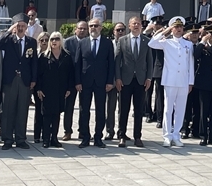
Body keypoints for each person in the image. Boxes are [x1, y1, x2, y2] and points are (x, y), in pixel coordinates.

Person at [149, 17, 195, 147]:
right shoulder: (166, 42)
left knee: (180, 109)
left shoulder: (188, 44)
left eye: (180, 27)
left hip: (183, 81)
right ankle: (167, 135)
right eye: (176, 27)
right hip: (170, 80)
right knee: (168, 109)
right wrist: (165, 31)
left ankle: (176, 135)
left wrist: (190, 81)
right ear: (172, 29)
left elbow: (190, 64)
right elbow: (151, 43)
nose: (179, 29)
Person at [0, 15, 37, 150]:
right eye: (18, 26)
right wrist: (10, 30)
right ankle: (7, 139)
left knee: (22, 110)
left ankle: (20, 138)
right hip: (10, 79)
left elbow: (34, 62)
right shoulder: (8, 40)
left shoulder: (31, 42)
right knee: (8, 110)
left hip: (24, 80)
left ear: (27, 27)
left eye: (23, 26)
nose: (20, 28)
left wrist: (33, 79)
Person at [73, 16, 114, 149]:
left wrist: (109, 81)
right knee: (84, 110)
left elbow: (111, 64)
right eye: (91, 26)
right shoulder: (82, 42)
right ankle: (85, 137)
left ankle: (98, 137)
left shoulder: (107, 43)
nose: (93, 28)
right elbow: (77, 63)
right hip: (85, 82)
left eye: (96, 26)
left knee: (100, 110)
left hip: (101, 82)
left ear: (101, 28)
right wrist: (77, 81)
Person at [114, 15, 151, 148]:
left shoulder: (146, 41)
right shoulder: (123, 40)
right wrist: (117, 78)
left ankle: (137, 136)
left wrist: (148, 78)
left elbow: (149, 61)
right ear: (129, 26)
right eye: (133, 24)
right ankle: (122, 136)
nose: (136, 26)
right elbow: (117, 61)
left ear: (141, 26)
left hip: (140, 80)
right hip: (125, 80)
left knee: (139, 109)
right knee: (123, 109)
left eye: (138, 24)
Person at [35, 32, 75, 148]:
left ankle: (54, 138)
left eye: (56, 39)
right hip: (47, 90)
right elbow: (39, 75)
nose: (54, 41)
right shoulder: (43, 56)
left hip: (61, 90)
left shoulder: (67, 56)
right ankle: (46, 139)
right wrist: (39, 89)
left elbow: (70, 75)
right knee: (47, 115)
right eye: (52, 39)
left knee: (56, 115)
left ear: (60, 41)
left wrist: (69, 88)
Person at [61, 21, 88, 141]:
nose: (82, 31)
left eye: (84, 29)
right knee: (69, 107)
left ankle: (82, 131)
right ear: (75, 30)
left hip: (85, 79)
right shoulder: (68, 42)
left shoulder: (89, 42)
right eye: (80, 28)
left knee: (84, 107)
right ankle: (67, 130)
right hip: (70, 80)